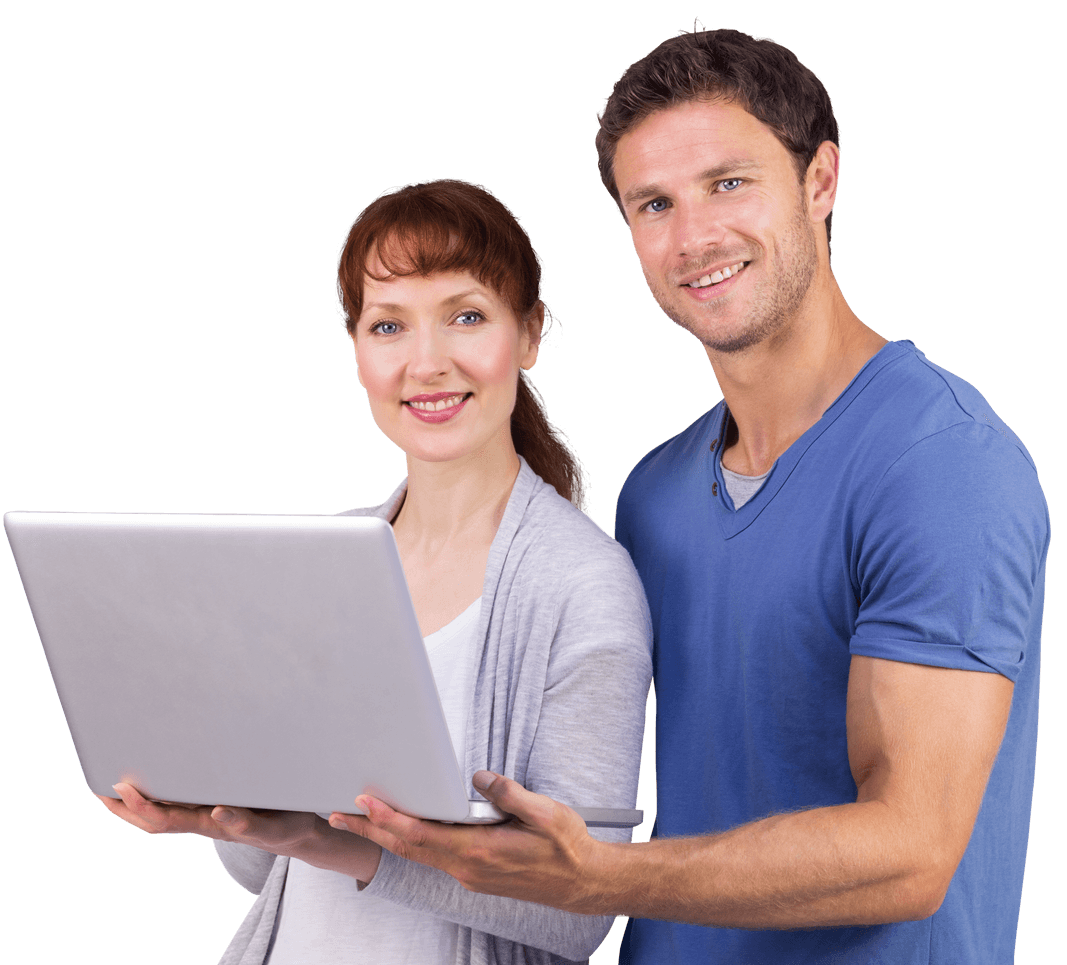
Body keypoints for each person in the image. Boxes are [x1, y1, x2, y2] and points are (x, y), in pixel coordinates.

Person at [336, 28, 1050, 964]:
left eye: (729, 183)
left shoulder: (944, 465)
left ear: (820, 181)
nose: (693, 236)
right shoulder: (658, 494)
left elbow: (912, 852)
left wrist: (601, 878)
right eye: (653, 203)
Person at [95, 178, 653, 964]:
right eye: (388, 325)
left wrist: (342, 847)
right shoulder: (332, 553)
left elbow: (580, 910)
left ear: (528, 336)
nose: (426, 362)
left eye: (466, 316)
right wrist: (219, 809)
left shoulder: (582, 581)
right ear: (357, 354)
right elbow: (274, 871)